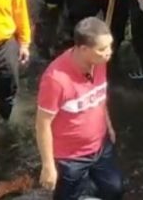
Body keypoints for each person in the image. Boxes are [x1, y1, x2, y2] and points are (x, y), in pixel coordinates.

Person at [36, 17, 123, 200]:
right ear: (83, 49)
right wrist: (48, 166)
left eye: (110, 46)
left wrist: (108, 124)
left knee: (114, 190)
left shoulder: (99, 63)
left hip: (100, 146)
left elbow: (99, 95)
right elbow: (42, 124)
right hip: (70, 157)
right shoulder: (55, 80)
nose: (109, 53)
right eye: (102, 49)